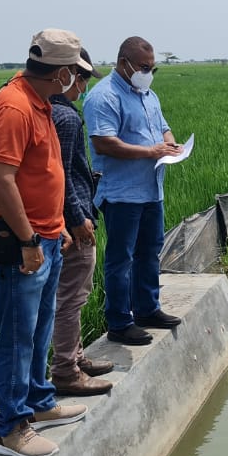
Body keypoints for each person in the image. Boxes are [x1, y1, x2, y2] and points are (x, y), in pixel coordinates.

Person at [0, 29, 91, 456]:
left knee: (41, 325)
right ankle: (12, 428)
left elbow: (41, 174)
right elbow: (0, 180)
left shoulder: (39, 103)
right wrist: (27, 240)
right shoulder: (13, 107)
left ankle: (40, 402)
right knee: (18, 336)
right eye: (74, 74)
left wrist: (54, 224)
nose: (74, 80)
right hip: (15, 240)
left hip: (44, 234)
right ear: (61, 73)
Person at [85, 36, 184, 346]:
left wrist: (170, 143)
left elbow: (163, 126)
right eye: (144, 67)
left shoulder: (147, 94)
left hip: (151, 189)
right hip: (122, 193)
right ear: (123, 62)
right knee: (120, 258)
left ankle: (147, 309)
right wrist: (150, 152)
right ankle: (119, 321)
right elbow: (104, 142)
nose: (148, 72)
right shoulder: (104, 96)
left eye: (153, 68)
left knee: (150, 251)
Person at [49, 49, 116, 397]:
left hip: (66, 217)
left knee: (72, 295)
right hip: (71, 222)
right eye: (84, 79)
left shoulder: (52, 111)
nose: (84, 87)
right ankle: (65, 369)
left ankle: (75, 357)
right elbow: (58, 176)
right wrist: (78, 218)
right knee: (73, 296)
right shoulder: (65, 117)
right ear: (69, 75)